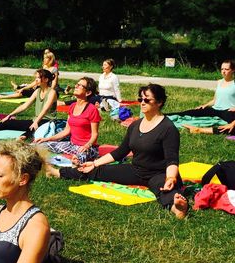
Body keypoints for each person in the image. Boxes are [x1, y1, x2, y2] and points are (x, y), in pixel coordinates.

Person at [46, 84, 189, 219]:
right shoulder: (135, 125)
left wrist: (170, 178)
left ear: (159, 102)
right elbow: (120, 152)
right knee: (94, 170)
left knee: (166, 189)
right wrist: (95, 164)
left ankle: (177, 208)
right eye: (140, 99)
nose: (142, 102)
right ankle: (57, 172)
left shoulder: (168, 129)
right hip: (136, 170)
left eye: (147, 100)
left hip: (159, 172)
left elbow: (172, 159)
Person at [0, 69, 57, 139]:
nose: (36, 80)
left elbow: (45, 109)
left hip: (48, 122)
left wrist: (36, 122)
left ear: (46, 79)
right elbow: (25, 106)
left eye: (38, 78)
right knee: (8, 123)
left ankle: (24, 137)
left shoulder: (52, 92)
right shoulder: (37, 91)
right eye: (36, 78)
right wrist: (10, 115)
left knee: (32, 128)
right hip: (37, 120)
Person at [34, 77, 101, 164]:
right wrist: (47, 139)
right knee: (38, 145)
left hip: (88, 147)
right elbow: (66, 131)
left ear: (88, 92)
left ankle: (75, 162)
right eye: (77, 84)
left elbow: (95, 134)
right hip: (71, 145)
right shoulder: (72, 106)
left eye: (80, 86)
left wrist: (87, 145)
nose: (76, 86)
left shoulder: (92, 110)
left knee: (79, 159)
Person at [177, 59, 235, 127]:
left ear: (233, 70)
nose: (223, 71)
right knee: (192, 112)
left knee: (231, 123)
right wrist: (205, 105)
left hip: (227, 111)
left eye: (226, 69)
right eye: (222, 69)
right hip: (215, 109)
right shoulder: (219, 82)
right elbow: (215, 100)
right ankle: (167, 116)